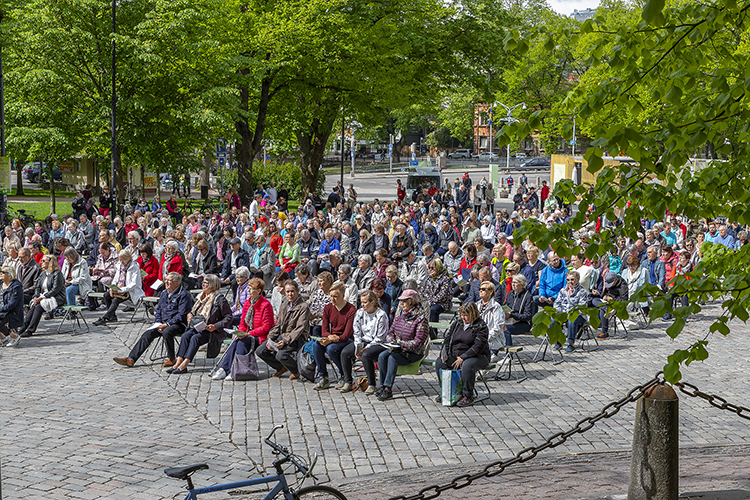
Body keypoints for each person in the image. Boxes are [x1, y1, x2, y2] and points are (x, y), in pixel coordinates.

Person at [113, 273, 193, 367]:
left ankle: (171, 358)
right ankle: (131, 359)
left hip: (179, 324)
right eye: (165, 279)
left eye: (169, 280)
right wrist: (158, 322)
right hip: (163, 323)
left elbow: (181, 315)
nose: (166, 282)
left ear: (177, 283)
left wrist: (167, 324)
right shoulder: (164, 293)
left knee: (167, 331)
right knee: (148, 333)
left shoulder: (183, 295)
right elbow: (159, 310)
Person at [169, 274, 233, 374]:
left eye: (206, 283)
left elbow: (229, 317)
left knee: (195, 338)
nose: (203, 284)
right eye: (203, 282)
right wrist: (189, 315)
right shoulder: (200, 297)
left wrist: (215, 326)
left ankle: (185, 364)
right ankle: (178, 362)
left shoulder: (219, 299)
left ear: (212, 284)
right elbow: (193, 311)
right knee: (186, 336)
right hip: (198, 326)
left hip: (211, 330)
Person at [375, 289, 429, 401]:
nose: (401, 303)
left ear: (412, 301)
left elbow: (418, 342)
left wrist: (400, 344)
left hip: (414, 352)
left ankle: (388, 389)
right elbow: (390, 331)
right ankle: (382, 385)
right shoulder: (400, 315)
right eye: (401, 301)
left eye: (404, 301)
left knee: (392, 359)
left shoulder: (420, 319)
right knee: (381, 356)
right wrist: (391, 341)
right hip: (398, 348)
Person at [435, 302, 490, 407]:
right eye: (462, 315)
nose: (463, 318)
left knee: (467, 365)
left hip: (476, 356)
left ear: (473, 314)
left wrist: (463, 357)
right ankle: (446, 391)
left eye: (466, 315)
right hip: (455, 354)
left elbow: (478, 346)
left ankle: (468, 395)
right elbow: (447, 339)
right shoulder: (457, 324)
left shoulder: (481, 326)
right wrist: (444, 352)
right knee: (439, 363)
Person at [254, 280, 310, 381]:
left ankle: (296, 370)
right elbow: (278, 324)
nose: (290, 294)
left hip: (296, 338)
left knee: (281, 355)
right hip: (282, 335)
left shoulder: (303, 307)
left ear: (297, 291)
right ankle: (281, 367)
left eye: (292, 291)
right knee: (260, 351)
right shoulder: (285, 305)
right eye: (288, 291)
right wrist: (270, 337)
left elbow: (299, 329)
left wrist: (284, 341)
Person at [340, 290, 389, 394]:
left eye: (365, 302)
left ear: (372, 302)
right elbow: (356, 332)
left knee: (366, 355)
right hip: (364, 341)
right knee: (345, 352)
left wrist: (365, 349)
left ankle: (371, 384)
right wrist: (358, 347)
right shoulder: (360, 313)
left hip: (378, 343)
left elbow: (380, 337)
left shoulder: (381, 315)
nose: (363, 305)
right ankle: (348, 381)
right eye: (361, 302)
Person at [312, 282, 356, 390]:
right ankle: (323, 376)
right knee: (317, 345)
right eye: (331, 296)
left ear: (343, 295)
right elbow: (324, 330)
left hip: (346, 340)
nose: (332, 299)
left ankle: (343, 374)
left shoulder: (351, 310)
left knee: (331, 349)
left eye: (335, 296)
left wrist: (331, 339)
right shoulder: (328, 308)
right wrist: (328, 338)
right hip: (332, 338)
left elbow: (346, 334)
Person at [18, 255, 65, 338]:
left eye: (44, 261)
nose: (41, 263)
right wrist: (36, 297)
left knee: (39, 306)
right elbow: (37, 287)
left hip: (56, 297)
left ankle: (30, 330)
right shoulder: (43, 273)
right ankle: (22, 328)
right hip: (43, 296)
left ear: (50, 262)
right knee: (34, 305)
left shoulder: (57, 273)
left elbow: (55, 290)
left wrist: (42, 298)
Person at [93, 250, 144, 325]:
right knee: (106, 295)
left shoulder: (134, 267)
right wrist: (112, 289)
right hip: (120, 289)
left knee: (116, 300)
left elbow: (133, 284)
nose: (122, 261)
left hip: (131, 291)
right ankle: (112, 317)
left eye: (124, 259)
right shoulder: (120, 266)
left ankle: (105, 318)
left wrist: (120, 290)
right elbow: (116, 279)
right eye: (120, 259)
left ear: (128, 258)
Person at [553, 270, 589, 353]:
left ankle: (571, 344)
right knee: (553, 319)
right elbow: (557, 303)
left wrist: (572, 314)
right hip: (564, 313)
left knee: (571, 320)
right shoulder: (563, 290)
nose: (570, 282)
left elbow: (582, 307)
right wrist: (559, 312)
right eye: (568, 280)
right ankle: (558, 341)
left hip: (579, 315)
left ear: (577, 280)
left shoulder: (582, 292)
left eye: (572, 279)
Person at [592, 271, 629, 339]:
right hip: (607, 303)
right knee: (594, 300)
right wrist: (604, 296)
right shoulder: (608, 283)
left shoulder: (623, 285)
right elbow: (606, 292)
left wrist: (613, 299)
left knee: (602, 309)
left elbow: (624, 300)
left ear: (616, 280)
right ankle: (606, 308)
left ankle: (605, 332)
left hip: (617, 304)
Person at [503, 274, 533, 347]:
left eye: (516, 283)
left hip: (523, 323)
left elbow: (527, 316)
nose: (513, 284)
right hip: (509, 321)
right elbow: (507, 307)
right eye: (512, 282)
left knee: (505, 329)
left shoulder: (527, 296)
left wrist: (512, 315)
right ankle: (494, 352)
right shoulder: (510, 294)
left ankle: (509, 354)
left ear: (522, 285)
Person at [476, 281, 504, 357]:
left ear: (491, 291)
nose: (481, 291)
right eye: (480, 289)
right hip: (478, 338)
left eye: (484, 289)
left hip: (492, 339)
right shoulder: (476, 305)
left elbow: (498, 327)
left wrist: (484, 338)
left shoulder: (496, 307)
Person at [0, 266, 25, 347]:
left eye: (3, 272)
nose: (0, 273)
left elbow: (12, 304)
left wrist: (0, 309)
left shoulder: (16, 286)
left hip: (12, 311)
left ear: (10, 275)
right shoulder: (0, 285)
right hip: (2, 310)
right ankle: (3, 338)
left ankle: (14, 336)